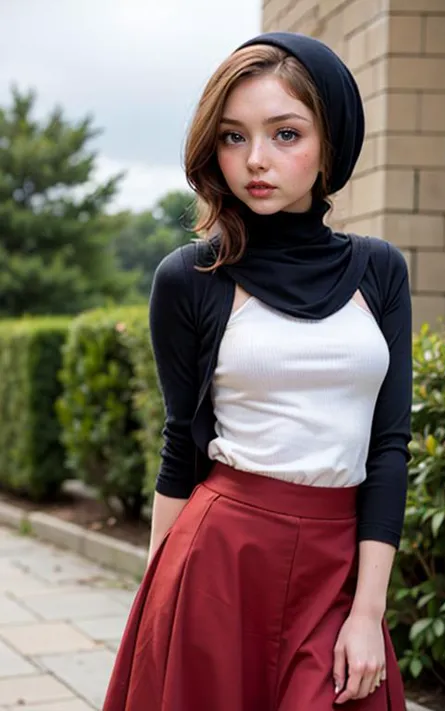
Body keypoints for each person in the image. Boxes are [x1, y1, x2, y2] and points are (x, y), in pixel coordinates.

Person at [103, 31, 412, 711]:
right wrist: (156, 596)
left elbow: (389, 447)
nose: (257, 160)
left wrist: (368, 611)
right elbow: (181, 443)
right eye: (234, 136)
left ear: (330, 140)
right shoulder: (190, 278)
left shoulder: (380, 270)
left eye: (285, 133)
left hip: (338, 565)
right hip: (221, 559)